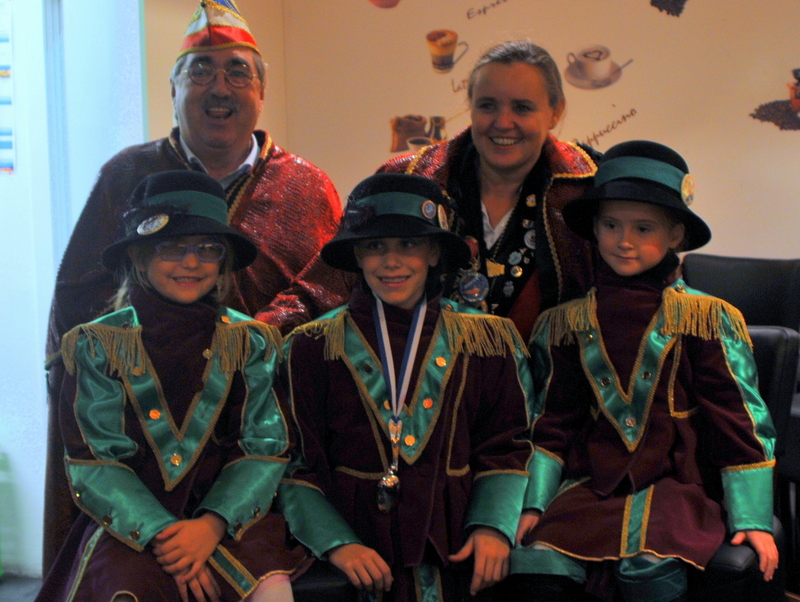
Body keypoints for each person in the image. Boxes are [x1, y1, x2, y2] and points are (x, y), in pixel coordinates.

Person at [42, 0, 349, 570]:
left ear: (262, 90)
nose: (219, 88)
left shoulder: (306, 186)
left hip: (260, 427)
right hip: (134, 433)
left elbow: (331, 290)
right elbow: (78, 297)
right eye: (201, 72)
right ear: (174, 88)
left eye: (238, 72)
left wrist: (250, 342)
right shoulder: (126, 175)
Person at [510, 140, 778, 602]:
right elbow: (553, 422)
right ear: (594, 229)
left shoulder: (706, 318)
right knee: (537, 562)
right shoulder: (564, 323)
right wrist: (532, 503)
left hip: (678, 484)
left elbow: (737, 418)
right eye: (611, 224)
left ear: (675, 235)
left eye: (643, 227)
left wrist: (753, 519)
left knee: (649, 567)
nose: (624, 240)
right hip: (591, 484)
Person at [36, 170, 308, 602]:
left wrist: (211, 526)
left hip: (228, 515)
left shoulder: (251, 342)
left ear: (223, 260)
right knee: (126, 587)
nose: (192, 262)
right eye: (172, 247)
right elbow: (95, 460)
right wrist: (163, 535)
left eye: (208, 248)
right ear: (139, 255)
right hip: (132, 522)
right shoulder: (97, 345)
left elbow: (264, 445)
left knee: (271, 588)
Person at [278, 173, 534, 601]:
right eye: (375, 246)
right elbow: (295, 462)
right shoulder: (311, 347)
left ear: (434, 253)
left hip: (459, 544)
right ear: (357, 254)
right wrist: (337, 543)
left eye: (409, 244)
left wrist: (493, 525)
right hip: (355, 547)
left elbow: (508, 442)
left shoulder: (488, 340)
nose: (391, 261)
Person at [378, 40, 600, 343]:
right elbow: (337, 288)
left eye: (522, 108)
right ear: (470, 106)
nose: (503, 122)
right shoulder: (402, 181)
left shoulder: (591, 191)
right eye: (487, 106)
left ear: (555, 112)